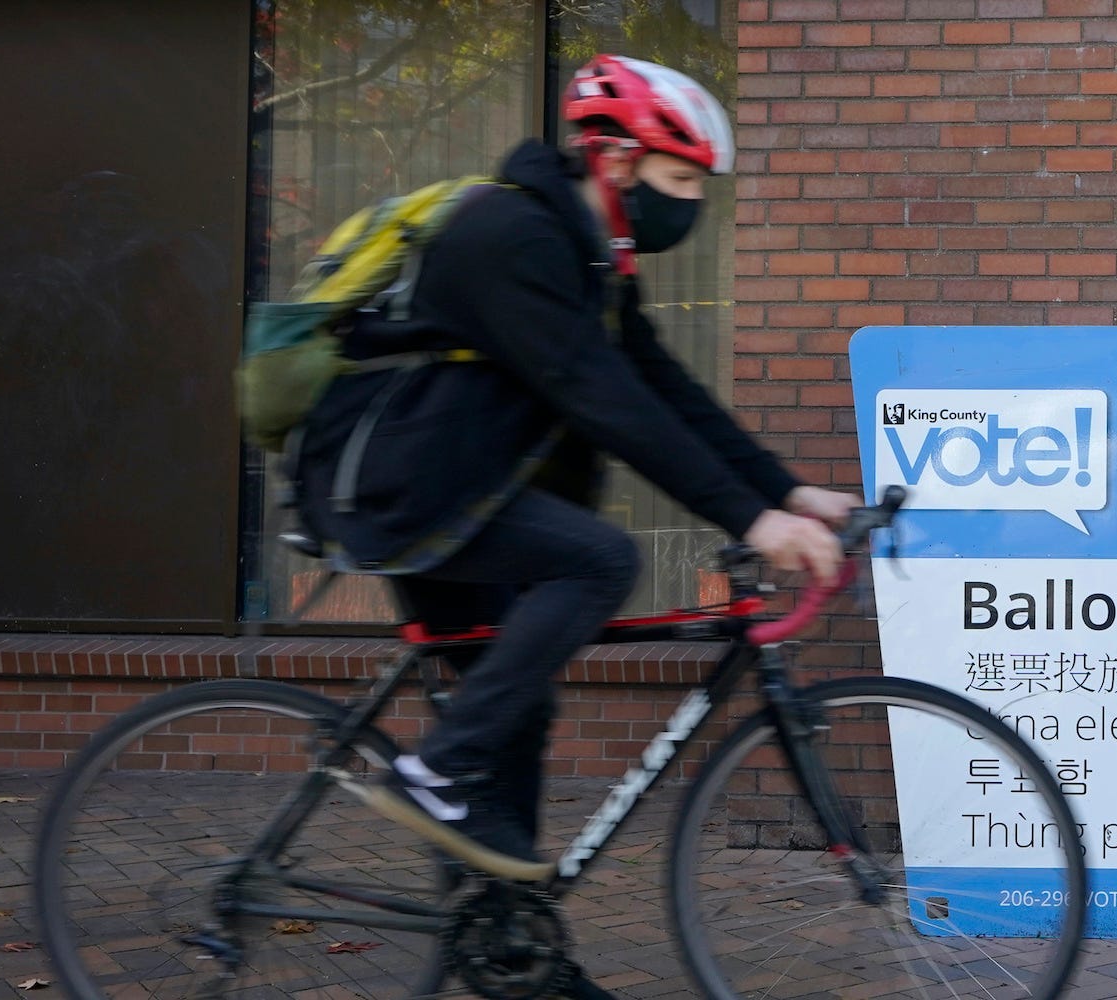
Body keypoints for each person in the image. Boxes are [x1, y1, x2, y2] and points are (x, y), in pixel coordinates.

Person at [291, 55, 855, 871]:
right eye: (682, 178)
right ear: (618, 159)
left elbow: (666, 390)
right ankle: (435, 770)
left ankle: (508, 951)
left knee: (515, 716)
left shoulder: (588, 258)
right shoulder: (512, 237)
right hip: (402, 490)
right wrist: (752, 520)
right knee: (601, 559)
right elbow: (600, 398)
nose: (692, 202)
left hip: (456, 492)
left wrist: (789, 492)